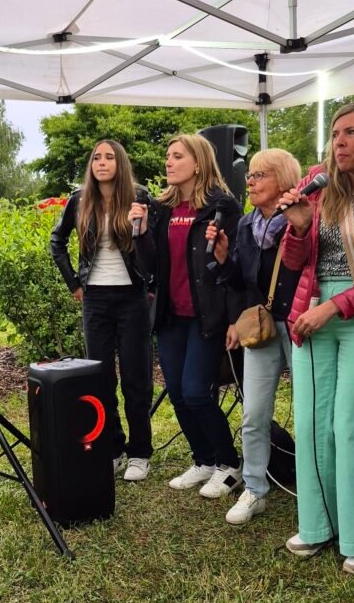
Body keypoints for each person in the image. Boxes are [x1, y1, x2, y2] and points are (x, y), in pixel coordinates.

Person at [277, 102, 354, 573]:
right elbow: (293, 262)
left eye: (351, 133)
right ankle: (318, 524)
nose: (339, 142)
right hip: (313, 313)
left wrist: (332, 306)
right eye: (335, 134)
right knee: (310, 424)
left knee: (353, 425)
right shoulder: (322, 190)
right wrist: (301, 226)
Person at [129, 133, 241, 496]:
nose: (168, 162)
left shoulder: (222, 206)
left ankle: (229, 464)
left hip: (206, 317)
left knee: (196, 393)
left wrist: (234, 318)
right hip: (170, 315)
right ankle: (204, 460)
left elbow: (234, 265)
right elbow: (150, 268)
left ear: (198, 162)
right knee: (177, 393)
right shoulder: (161, 209)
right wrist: (142, 233)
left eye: (177, 156)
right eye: (167, 156)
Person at [205, 148, 302, 523]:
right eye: (251, 175)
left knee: (308, 415)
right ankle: (255, 489)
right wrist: (225, 259)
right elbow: (240, 283)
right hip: (261, 329)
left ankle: (312, 488)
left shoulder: (300, 221)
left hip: (297, 326)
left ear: (284, 181)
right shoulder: (246, 225)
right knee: (254, 413)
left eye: (261, 175)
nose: (251, 181)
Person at [50, 139, 154, 481]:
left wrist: (151, 284)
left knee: (136, 378)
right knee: (101, 378)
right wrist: (74, 284)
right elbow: (57, 241)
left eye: (109, 157)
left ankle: (141, 451)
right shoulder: (80, 199)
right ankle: (114, 449)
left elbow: (154, 247)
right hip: (95, 299)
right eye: (97, 157)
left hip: (132, 298)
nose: (102, 162)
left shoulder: (139, 195)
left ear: (120, 163)